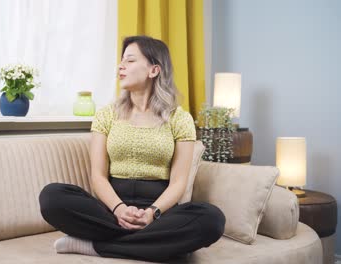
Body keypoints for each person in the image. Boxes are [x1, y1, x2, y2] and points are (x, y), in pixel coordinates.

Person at [39, 35, 225, 262]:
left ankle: (97, 246)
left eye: (130, 60)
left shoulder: (180, 119)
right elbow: (97, 176)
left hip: (159, 212)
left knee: (212, 219)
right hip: (111, 209)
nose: (121, 66)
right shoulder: (106, 114)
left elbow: (178, 182)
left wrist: (151, 213)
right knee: (52, 197)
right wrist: (118, 209)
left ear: (154, 70)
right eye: (121, 60)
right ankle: (163, 247)